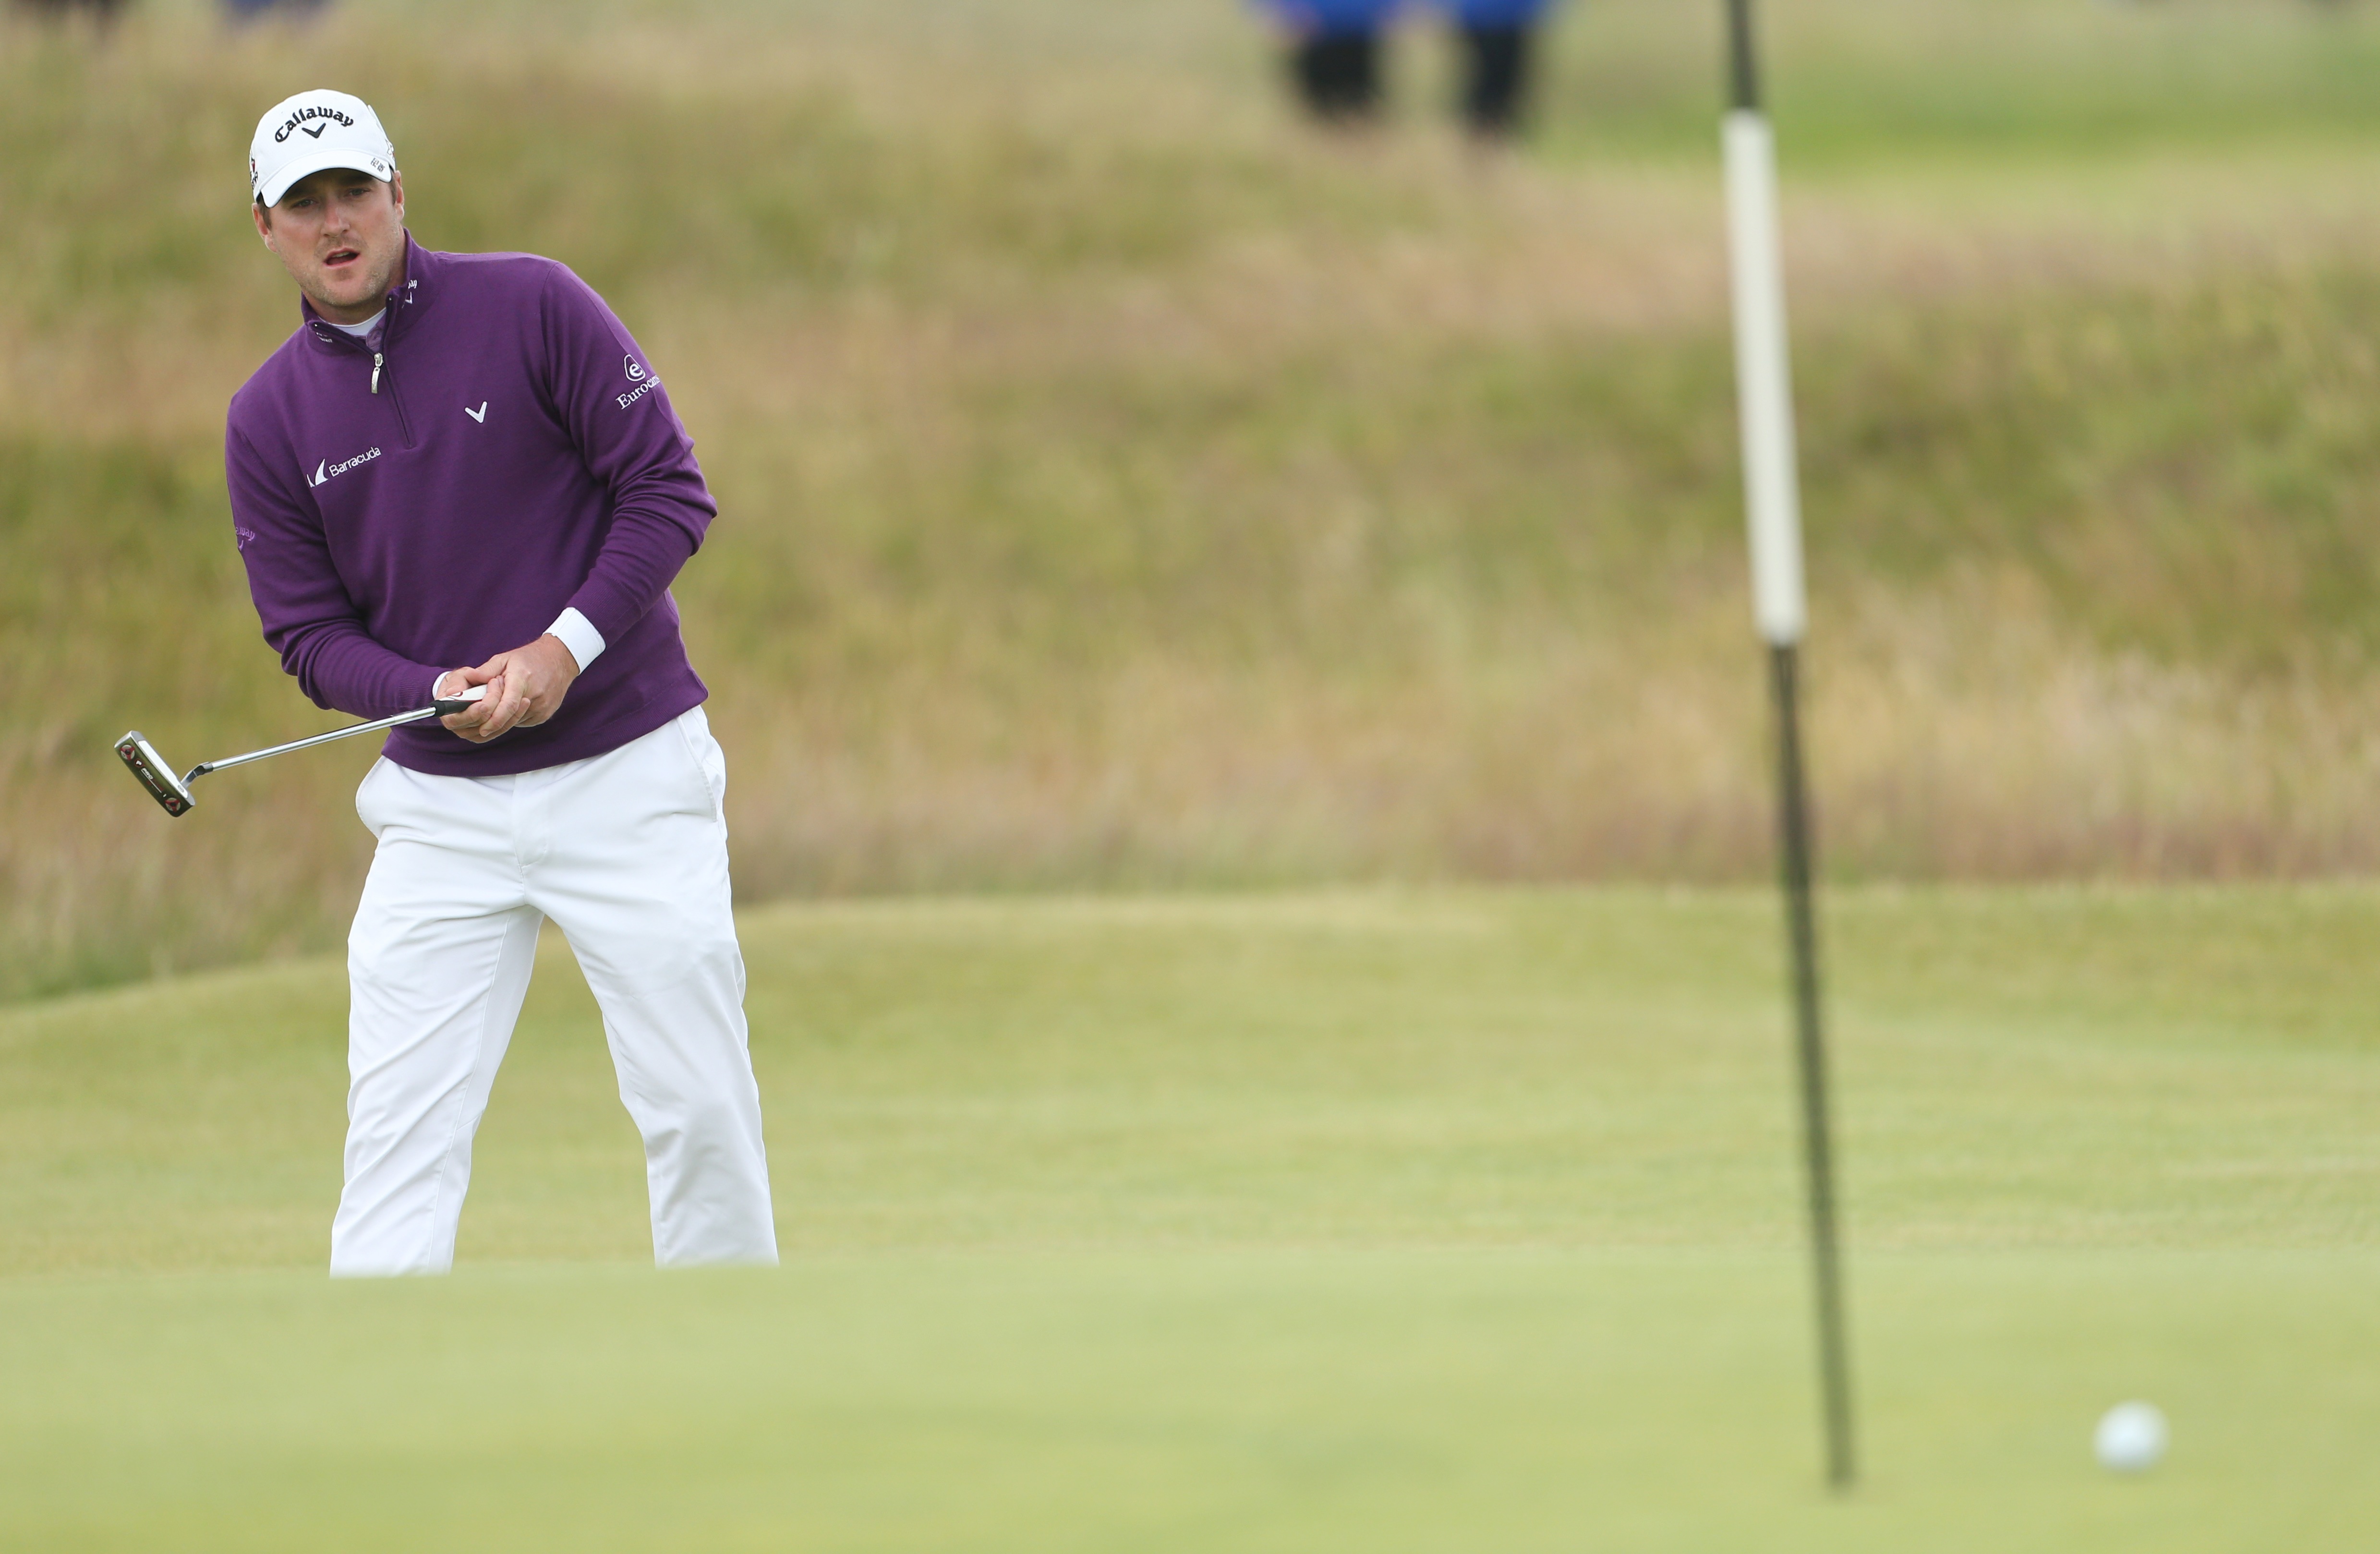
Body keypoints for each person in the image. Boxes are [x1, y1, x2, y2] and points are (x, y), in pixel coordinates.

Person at [225, 89, 777, 1277]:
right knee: (397, 1138)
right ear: (264, 229)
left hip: (627, 769)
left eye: (355, 193)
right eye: (304, 204)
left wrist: (556, 652)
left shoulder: (530, 303)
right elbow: (309, 636)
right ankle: (375, 1404)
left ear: (398, 193)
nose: (337, 223)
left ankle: (739, 1370)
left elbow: (667, 490)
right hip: (441, 812)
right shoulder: (268, 418)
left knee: (698, 1106)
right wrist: (430, 687)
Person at [1259, 0, 1403, 124]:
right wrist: (1290, 11)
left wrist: (1389, 11)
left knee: (1362, 104)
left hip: (1360, 30)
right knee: (1318, 106)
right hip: (1315, 32)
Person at [1441, 0, 1555, 139]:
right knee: (1493, 81)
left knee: (1505, 80)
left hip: (1510, 15)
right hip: (1489, 15)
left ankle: (1492, 135)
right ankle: (1483, 135)